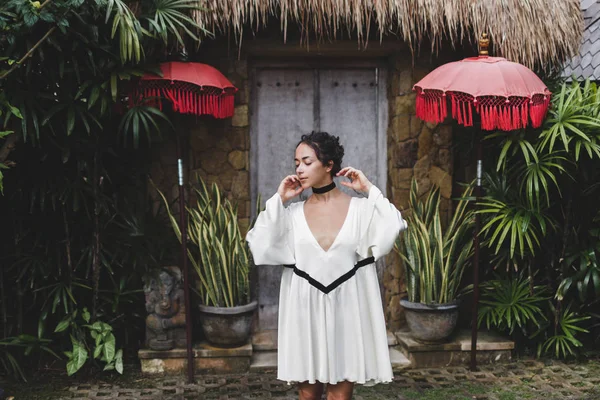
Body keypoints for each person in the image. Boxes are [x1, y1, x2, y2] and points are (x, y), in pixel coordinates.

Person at [246, 131, 407, 400]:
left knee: (339, 397)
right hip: (304, 312)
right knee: (307, 396)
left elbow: (394, 224)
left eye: (307, 161)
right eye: (296, 162)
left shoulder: (360, 210)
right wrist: (280, 199)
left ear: (329, 165)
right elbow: (258, 242)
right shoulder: (291, 215)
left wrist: (369, 189)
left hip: (346, 311)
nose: (299, 169)